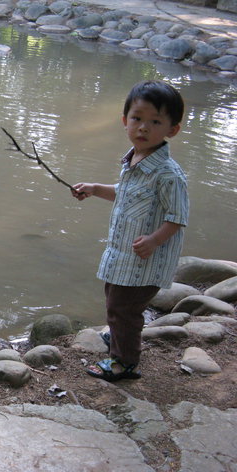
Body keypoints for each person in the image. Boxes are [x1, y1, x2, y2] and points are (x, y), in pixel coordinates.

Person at [72, 80, 189, 382]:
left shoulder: (168, 175)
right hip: (123, 254)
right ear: (125, 121)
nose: (143, 128)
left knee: (124, 308)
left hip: (144, 259)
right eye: (137, 119)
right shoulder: (134, 160)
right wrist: (96, 189)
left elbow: (177, 217)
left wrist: (154, 240)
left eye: (155, 122)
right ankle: (122, 336)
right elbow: (125, 193)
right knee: (115, 301)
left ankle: (124, 361)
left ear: (172, 130)